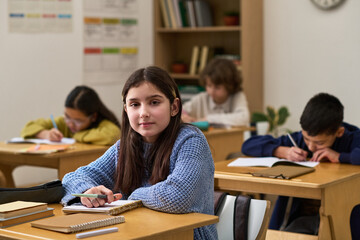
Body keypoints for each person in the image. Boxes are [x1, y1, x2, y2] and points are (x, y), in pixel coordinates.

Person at [61, 66, 217, 239]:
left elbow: (179, 196)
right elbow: (71, 178)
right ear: (126, 110)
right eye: (135, 105)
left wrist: (134, 196)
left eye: (154, 102)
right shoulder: (124, 147)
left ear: (174, 107)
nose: (143, 113)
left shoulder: (191, 141)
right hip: (139, 233)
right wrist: (88, 190)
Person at [241, 92, 360, 236]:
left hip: (345, 220)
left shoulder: (352, 138)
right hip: (301, 219)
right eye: (306, 138)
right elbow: (248, 145)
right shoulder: (299, 140)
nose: (310, 147)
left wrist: (341, 157)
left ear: (339, 132)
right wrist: (280, 150)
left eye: (319, 143)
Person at [21, 86, 121, 146]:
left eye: (78, 121)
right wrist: (46, 134)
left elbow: (113, 135)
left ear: (93, 117)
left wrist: (76, 136)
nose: (71, 124)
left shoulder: (103, 124)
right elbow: (28, 128)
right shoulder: (63, 123)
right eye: (67, 116)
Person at [182, 58, 250, 127]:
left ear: (230, 85)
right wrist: (183, 116)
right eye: (209, 85)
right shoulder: (201, 98)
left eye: (217, 87)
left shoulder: (237, 96)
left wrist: (209, 119)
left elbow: (244, 118)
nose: (211, 91)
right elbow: (180, 111)